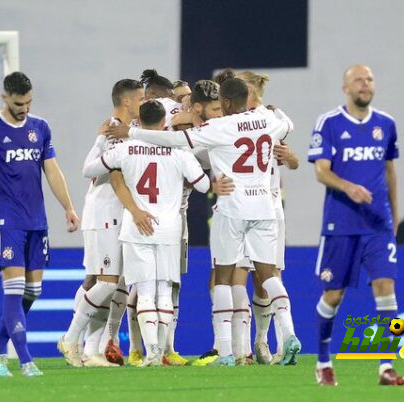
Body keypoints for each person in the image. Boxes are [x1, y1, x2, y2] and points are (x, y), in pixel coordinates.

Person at [108, 78, 291, 366]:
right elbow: (286, 123)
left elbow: (176, 141)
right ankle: (286, 334)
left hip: (231, 208)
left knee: (222, 276)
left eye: (220, 105)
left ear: (227, 102)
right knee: (267, 276)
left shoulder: (219, 127)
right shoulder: (266, 119)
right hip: (266, 208)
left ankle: (227, 352)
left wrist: (132, 132)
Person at [0, 71, 79, 377]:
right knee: (13, 290)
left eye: (28, 102)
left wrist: (68, 207)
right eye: (18, 102)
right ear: (5, 98)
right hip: (7, 220)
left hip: (36, 220)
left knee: (33, 291)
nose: (24, 108)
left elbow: (52, 171)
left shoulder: (40, 127)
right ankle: (25, 360)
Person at [85, 100, 210, 366]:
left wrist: (100, 142)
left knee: (143, 291)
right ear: (164, 121)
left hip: (136, 227)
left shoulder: (126, 148)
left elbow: (89, 170)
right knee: (164, 291)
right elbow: (203, 185)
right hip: (169, 229)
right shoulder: (179, 152)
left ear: (138, 122)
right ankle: (161, 350)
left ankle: (151, 350)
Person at [308, 64, 404, 386]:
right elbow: (321, 170)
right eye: (359, 80)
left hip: (378, 224)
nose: (366, 84)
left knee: (386, 291)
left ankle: (386, 367)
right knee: (333, 296)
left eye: (370, 79)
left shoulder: (386, 124)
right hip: (341, 224)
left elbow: (389, 170)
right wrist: (348, 187)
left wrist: (395, 216)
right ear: (345, 88)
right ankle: (323, 363)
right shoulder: (329, 123)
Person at [57, 79, 144, 367]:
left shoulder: (127, 132)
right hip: (106, 213)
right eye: (140, 98)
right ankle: (71, 339)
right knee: (106, 283)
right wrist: (114, 153)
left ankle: (91, 350)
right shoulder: (114, 134)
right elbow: (88, 169)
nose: (143, 103)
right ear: (127, 101)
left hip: (115, 214)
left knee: (105, 281)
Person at [235, 71, 300, 366]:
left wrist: (290, 157)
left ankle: (264, 342)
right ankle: (245, 348)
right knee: (252, 277)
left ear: (250, 91)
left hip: (265, 207)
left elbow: (293, 160)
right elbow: (287, 126)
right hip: (248, 207)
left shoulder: (266, 119)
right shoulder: (275, 120)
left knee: (265, 278)